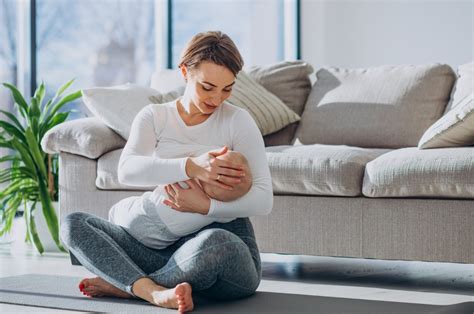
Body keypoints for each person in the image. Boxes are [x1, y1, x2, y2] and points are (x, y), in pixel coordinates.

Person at [60, 31, 273, 313]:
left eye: (227, 89)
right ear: (185, 72)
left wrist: (206, 206)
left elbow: (263, 198)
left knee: (217, 243)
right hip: (159, 250)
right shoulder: (156, 116)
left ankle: (131, 286)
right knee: (73, 224)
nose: (217, 99)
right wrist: (190, 166)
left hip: (221, 254)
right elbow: (127, 170)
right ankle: (156, 291)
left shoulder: (238, 121)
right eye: (207, 87)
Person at [108, 148, 253, 250]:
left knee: (115, 211)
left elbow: (163, 173)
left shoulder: (186, 180)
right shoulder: (221, 215)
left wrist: (194, 163)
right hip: (158, 242)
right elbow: (233, 213)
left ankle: (110, 238)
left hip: (143, 211)